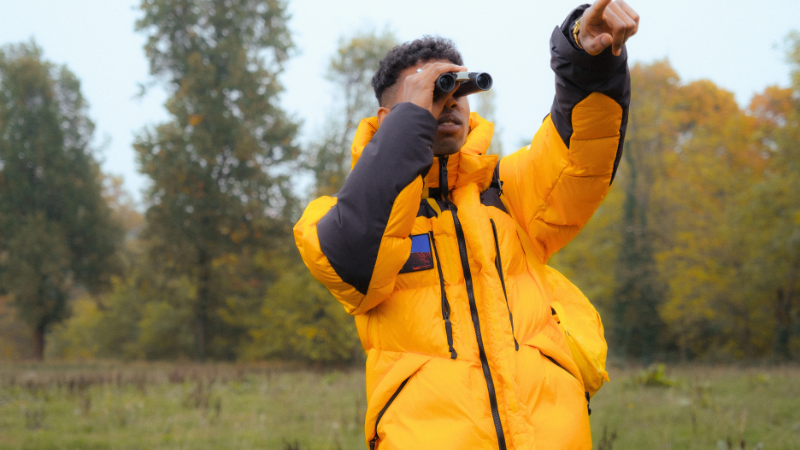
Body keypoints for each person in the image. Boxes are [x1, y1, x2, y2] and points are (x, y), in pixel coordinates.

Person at [294, 0, 638, 448]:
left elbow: (581, 157)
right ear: (387, 120)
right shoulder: (334, 217)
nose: (450, 101)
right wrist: (409, 128)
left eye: (457, 88)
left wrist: (588, 60)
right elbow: (357, 261)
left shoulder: (508, 192)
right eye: (433, 90)